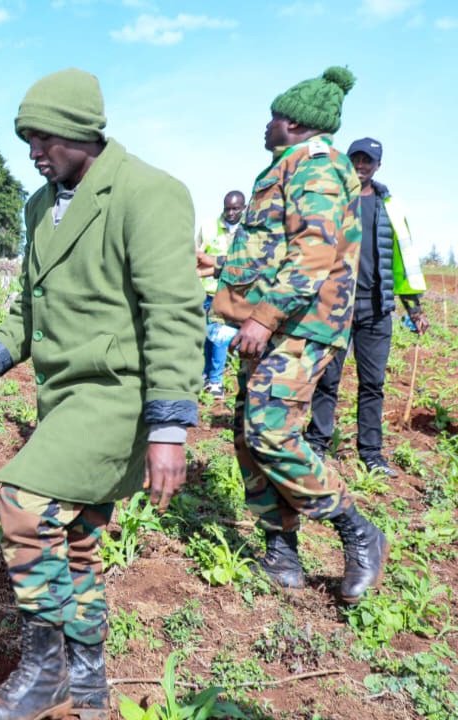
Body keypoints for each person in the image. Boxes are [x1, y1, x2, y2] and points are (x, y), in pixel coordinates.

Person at [0, 68, 202, 720]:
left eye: (46, 137)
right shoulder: (39, 205)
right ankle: (87, 686)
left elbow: (173, 312)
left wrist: (170, 428)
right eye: (27, 137)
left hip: (116, 395)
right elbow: (28, 311)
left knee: (25, 505)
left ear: (86, 131)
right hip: (61, 399)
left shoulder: (148, 194)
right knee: (77, 541)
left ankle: (46, 674)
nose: (34, 151)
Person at [212, 67, 386, 604]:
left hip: (298, 326)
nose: (265, 126)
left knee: (271, 432)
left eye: (272, 117)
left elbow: (313, 253)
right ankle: (281, 551)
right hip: (272, 324)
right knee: (249, 434)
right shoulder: (288, 168)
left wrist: (264, 316)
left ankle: (357, 529)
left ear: (292, 122)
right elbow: (274, 251)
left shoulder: (315, 167)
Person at [305, 137, 430, 477]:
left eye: (368, 161)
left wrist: (414, 309)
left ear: (378, 166)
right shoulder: (332, 201)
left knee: (372, 384)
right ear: (347, 162)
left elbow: (400, 263)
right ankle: (317, 443)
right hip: (334, 308)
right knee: (327, 379)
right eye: (356, 159)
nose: (361, 166)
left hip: (375, 309)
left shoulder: (390, 206)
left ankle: (371, 454)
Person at [195, 191, 245, 398]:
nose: (231, 213)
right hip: (205, 292)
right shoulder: (208, 227)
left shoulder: (248, 230)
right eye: (227, 209)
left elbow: (242, 262)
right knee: (207, 338)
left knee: (219, 337)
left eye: (235, 209)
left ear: (243, 208)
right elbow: (196, 255)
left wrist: (214, 262)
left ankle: (215, 381)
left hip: (229, 295)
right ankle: (207, 377)